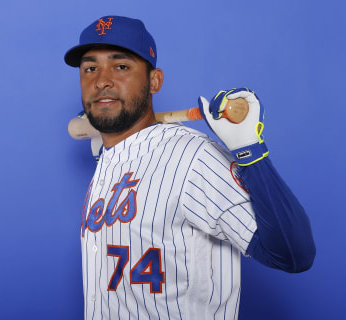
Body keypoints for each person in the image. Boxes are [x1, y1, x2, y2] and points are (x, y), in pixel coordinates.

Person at [64, 15, 315, 320]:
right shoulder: (108, 159)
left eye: (121, 66)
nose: (101, 80)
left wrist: (252, 152)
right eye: (90, 68)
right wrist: (108, 137)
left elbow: (292, 254)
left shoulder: (192, 157)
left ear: (154, 81)